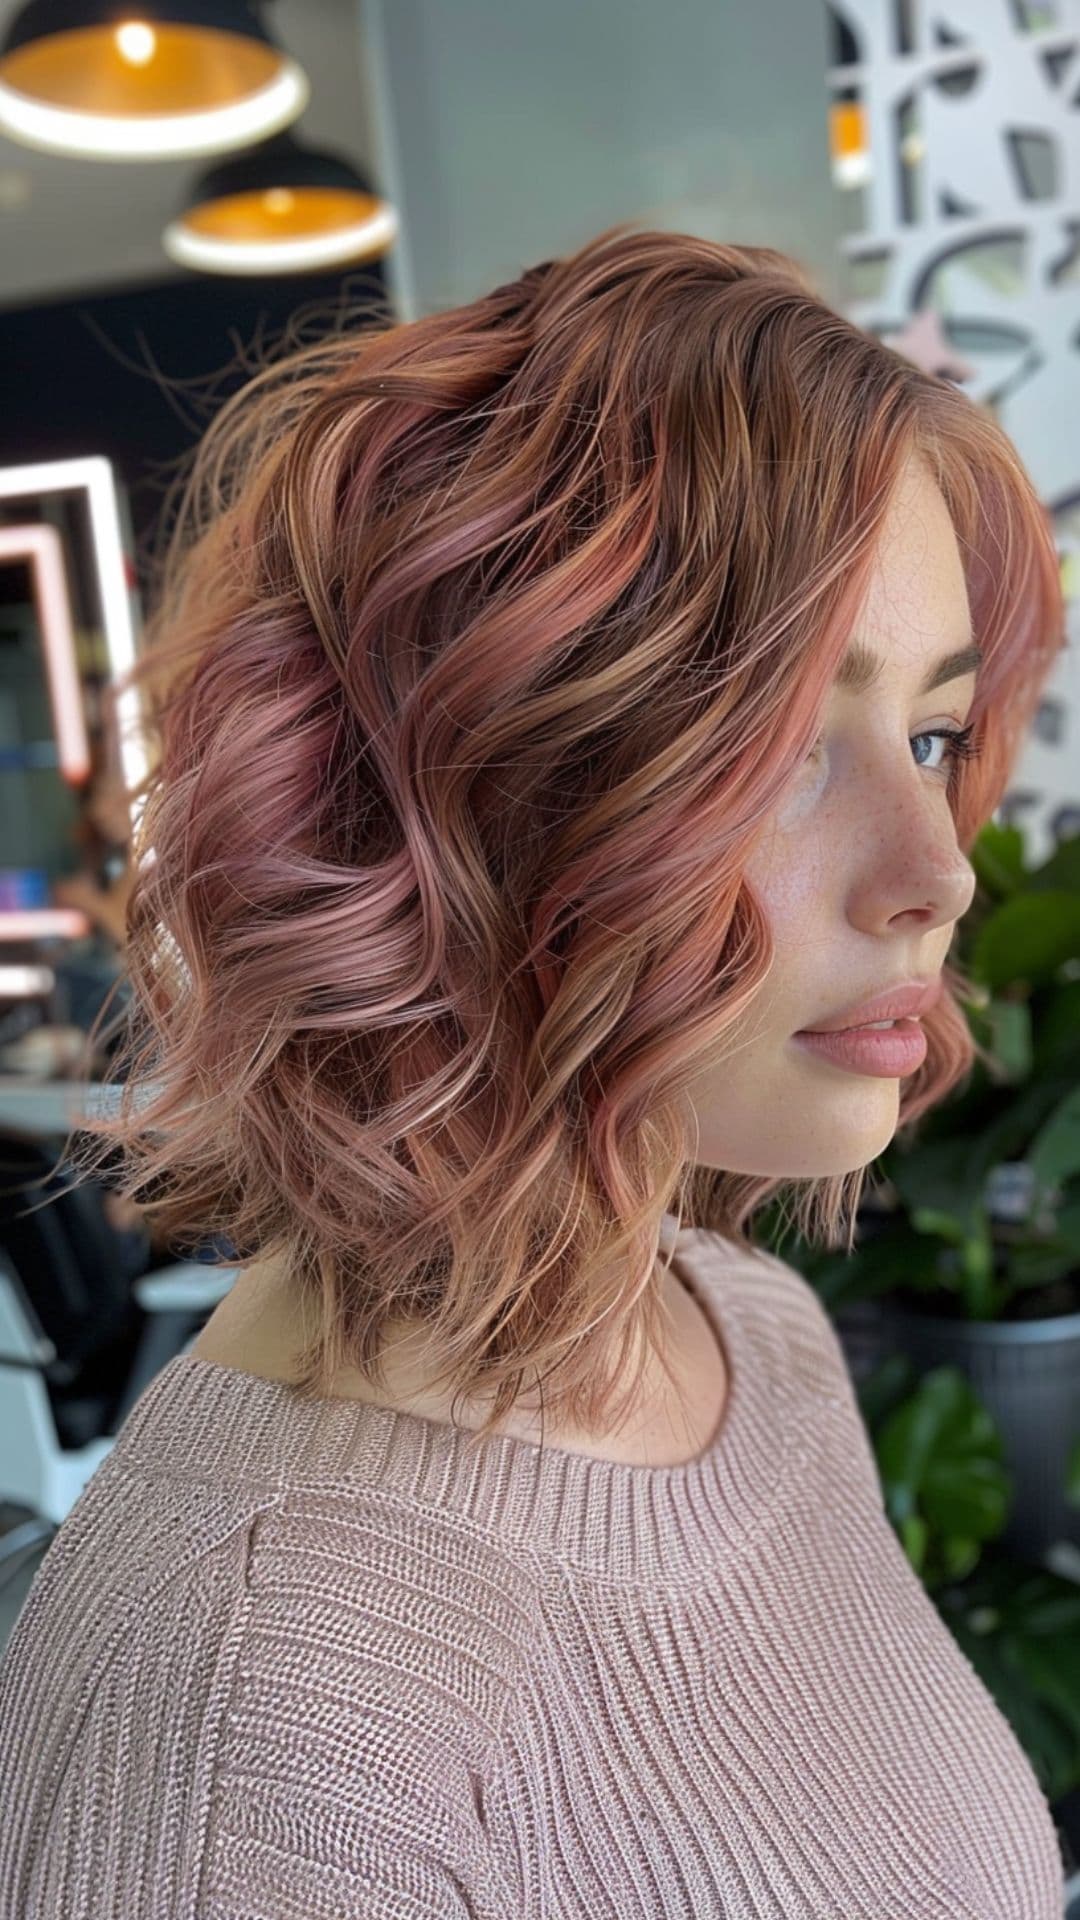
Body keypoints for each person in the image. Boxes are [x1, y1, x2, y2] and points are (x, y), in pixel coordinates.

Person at [0, 225, 1067, 1917]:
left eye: (930, 735)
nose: (936, 868)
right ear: (455, 805)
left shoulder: (748, 1332)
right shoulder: (254, 1735)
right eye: (782, 744)